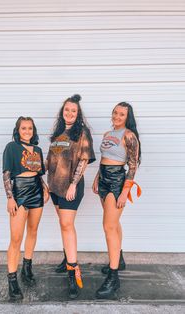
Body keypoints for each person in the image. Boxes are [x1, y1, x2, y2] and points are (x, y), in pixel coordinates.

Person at [46, 94, 96, 299]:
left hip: (70, 188)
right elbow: (51, 161)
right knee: (63, 224)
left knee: (67, 225)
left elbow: (84, 160)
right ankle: (67, 256)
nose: (69, 113)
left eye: (73, 111)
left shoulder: (82, 132)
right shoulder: (58, 133)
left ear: (78, 114)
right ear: (62, 112)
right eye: (66, 110)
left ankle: (73, 271)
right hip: (55, 187)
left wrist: (74, 184)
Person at [92, 102, 141, 299]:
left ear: (127, 117)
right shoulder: (107, 134)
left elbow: (132, 166)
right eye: (115, 112)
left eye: (121, 114)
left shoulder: (129, 136)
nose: (117, 116)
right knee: (114, 223)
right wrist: (97, 179)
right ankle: (118, 259)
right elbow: (104, 158)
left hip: (117, 181)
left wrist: (124, 192)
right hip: (104, 178)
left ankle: (113, 278)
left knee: (108, 226)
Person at [2, 116, 49, 301]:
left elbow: (39, 174)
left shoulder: (37, 149)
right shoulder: (11, 147)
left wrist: (45, 188)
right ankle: (12, 280)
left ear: (33, 131)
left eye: (30, 128)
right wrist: (10, 198)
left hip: (36, 190)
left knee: (33, 230)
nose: (27, 131)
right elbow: (6, 174)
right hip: (19, 191)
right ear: (18, 130)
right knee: (15, 237)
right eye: (24, 128)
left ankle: (27, 268)